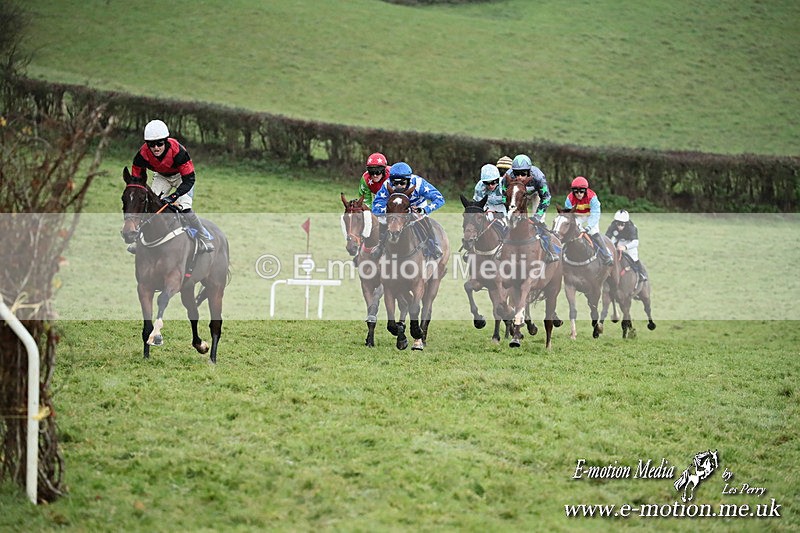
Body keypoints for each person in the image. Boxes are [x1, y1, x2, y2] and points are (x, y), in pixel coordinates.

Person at [128, 119, 214, 254]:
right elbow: (137, 179)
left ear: (166, 141)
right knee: (148, 205)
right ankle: (138, 239)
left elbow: (189, 180)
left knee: (185, 208)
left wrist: (174, 196)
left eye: (160, 143)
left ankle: (203, 236)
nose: (156, 148)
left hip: (182, 177)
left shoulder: (178, 152)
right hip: (162, 177)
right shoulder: (142, 155)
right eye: (151, 144)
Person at [372, 161, 446, 259]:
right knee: (382, 219)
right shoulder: (387, 185)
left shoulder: (419, 184)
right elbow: (376, 207)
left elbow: (440, 199)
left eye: (402, 182)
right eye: (395, 182)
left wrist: (424, 210)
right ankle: (380, 245)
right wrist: (388, 210)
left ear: (409, 179)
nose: (398, 186)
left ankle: (434, 245)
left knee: (423, 219)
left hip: (417, 206)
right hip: (396, 208)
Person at [508, 154, 559, 263]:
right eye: (516, 173)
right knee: (509, 221)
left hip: (536, 195)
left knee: (540, 222)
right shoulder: (508, 176)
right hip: (518, 196)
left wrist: (537, 216)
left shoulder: (538, 177)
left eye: (523, 173)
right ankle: (502, 248)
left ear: (529, 171)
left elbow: (546, 198)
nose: (519, 177)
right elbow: (504, 195)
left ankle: (550, 251)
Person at [563, 176, 613, 266]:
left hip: (591, 216)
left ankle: (606, 255)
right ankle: (562, 252)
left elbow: (595, 214)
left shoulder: (592, 197)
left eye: (581, 191)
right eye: (576, 191)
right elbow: (568, 214)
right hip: (577, 216)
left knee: (593, 232)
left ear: (585, 190)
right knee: (570, 231)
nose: (578, 194)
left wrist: (588, 227)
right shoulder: (569, 198)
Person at [605, 209, 647, 280]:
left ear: (626, 223)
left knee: (634, 257)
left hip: (629, 242)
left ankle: (642, 274)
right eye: (618, 223)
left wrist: (625, 247)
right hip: (618, 240)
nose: (619, 226)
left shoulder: (632, 227)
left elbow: (635, 242)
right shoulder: (612, 225)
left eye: (622, 224)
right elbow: (606, 238)